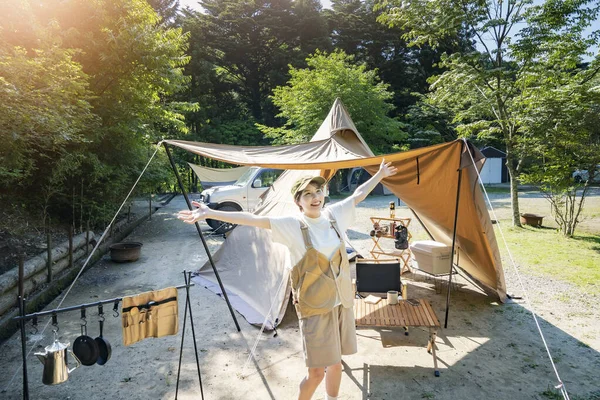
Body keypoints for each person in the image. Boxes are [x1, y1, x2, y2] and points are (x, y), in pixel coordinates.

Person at [178, 160, 397, 400]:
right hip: (315, 309)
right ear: (298, 201)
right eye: (308, 194)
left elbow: (358, 195)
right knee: (316, 373)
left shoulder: (334, 215)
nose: (315, 198)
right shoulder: (294, 225)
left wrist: (380, 174)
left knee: (336, 364)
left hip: (341, 304)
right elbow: (253, 219)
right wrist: (210, 212)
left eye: (318, 192)